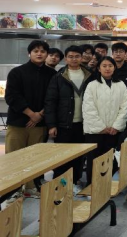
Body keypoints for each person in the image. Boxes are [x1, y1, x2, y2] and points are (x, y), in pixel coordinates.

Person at [5, 40, 57, 197]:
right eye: (35, 51)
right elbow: (12, 96)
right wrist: (30, 114)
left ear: (46, 54)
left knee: (34, 158)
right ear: (29, 53)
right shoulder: (17, 72)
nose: (39, 53)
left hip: (39, 123)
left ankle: (30, 187)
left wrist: (40, 114)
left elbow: (53, 97)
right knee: (14, 156)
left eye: (42, 51)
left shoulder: (52, 75)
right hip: (18, 123)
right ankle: (12, 190)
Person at [44, 45, 93, 192]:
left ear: (81, 58)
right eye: (70, 56)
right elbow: (50, 102)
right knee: (62, 157)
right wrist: (51, 125)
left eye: (77, 56)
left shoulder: (90, 75)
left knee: (78, 156)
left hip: (83, 123)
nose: (74, 59)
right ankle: (60, 184)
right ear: (66, 58)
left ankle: (75, 181)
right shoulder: (58, 77)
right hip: (63, 124)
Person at [83, 56, 127, 185]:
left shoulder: (121, 85)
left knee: (110, 160)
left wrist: (116, 126)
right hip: (95, 132)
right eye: (104, 66)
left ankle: (107, 187)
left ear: (114, 68)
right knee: (94, 160)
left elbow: (125, 107)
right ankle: (92, 188)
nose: (107, 68)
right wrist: (101, 127)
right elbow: (88, 108)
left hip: (113, 132)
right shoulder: (92, 85)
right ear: (99, 68)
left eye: (110, 66)